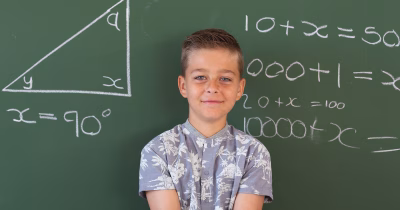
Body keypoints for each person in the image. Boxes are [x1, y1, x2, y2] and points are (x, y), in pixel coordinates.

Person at [139, 28, 273, 210]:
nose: (212, 87)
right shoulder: (158, 152)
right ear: (183, 85)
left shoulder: (253, 154)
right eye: (200, 77)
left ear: (240, 89)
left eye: (225, 78)